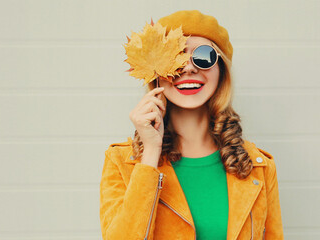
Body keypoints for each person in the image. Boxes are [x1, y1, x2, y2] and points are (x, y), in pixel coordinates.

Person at [100, 10, 284, 240]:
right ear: (156, 73)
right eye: (175, 56)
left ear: (221, 71)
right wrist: (150, 155)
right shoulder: (121, 162)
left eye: (204, 56)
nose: (188, 68)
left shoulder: (259, 166)